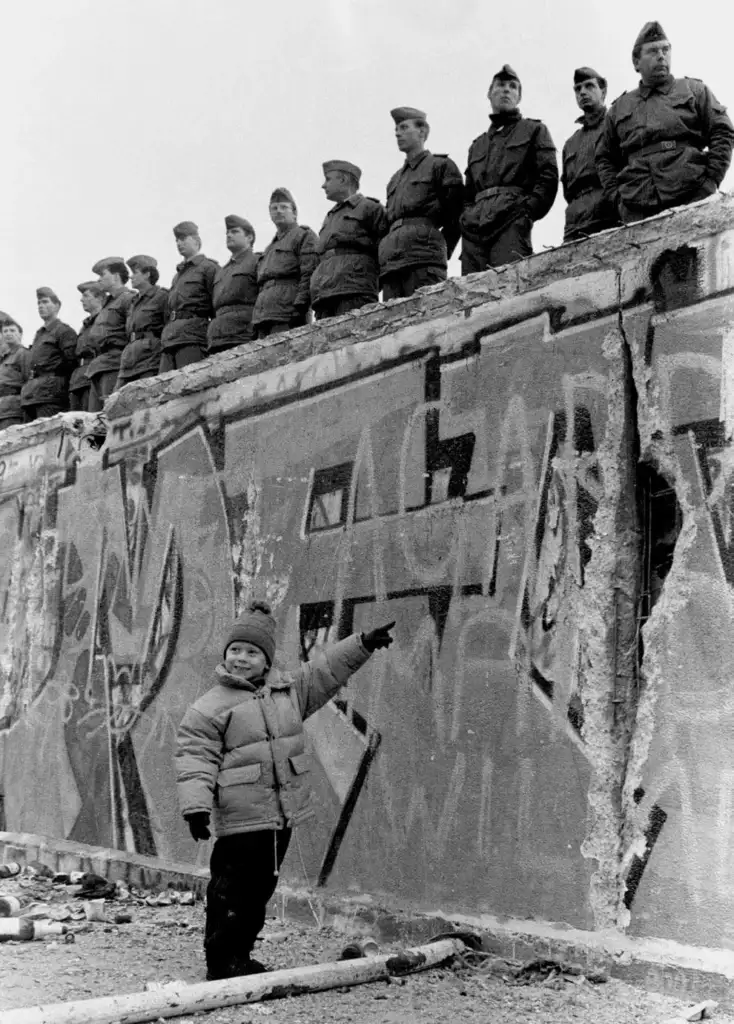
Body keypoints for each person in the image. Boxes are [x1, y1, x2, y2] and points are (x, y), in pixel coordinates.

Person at [175, 600, 395, 981]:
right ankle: (221, 960)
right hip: (241, 819)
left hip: (281, 816)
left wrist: (362, 643)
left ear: (267, 659)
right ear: (225, 656)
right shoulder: (208, 709)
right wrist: (195, 808)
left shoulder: (288, 692)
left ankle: (239, 956)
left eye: (251, 652)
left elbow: (325, 671)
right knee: (231, 890)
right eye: (235, 651)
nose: (241, 658)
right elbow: (195, 758)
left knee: (260, 890)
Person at [597, 21, 734, 225]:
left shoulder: (693, 90)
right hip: (638, 204)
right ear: (636, 62)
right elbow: (604, 158)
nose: (661, 56)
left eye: (666, 49)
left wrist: (711, 181)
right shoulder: (619, 108)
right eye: (653, 51)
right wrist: (619, 200)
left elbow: (722, 131)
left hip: (691, 193)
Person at [461, 65, 558, 273]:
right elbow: (468, 193)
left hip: (510, 222)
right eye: (501, 85)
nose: (506, 90)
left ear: (519, 97)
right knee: (469, 297)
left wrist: (527, 211)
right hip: (474, 231)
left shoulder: (534, 130)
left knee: (508, 291)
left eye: (513, 87)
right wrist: (466, 218)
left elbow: (548, 176)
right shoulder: (477, 145)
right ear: (489, 93)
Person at [379, 107, 463, 299]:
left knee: (426, 317)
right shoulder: (395, 179)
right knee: (393, 324)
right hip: (393, 263)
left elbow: (457, 214)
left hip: (424, 259)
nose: (397, 133)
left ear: (422, 132)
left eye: (403, 127)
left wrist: (439, 250)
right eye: (396, 130)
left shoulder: (440, 166)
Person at [310, 160, 388, 318]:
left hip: (355, 289)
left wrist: (371, 283)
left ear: (343, 180)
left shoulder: (370, 208)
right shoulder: (330, 216)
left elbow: (385, 249)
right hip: (325, 292)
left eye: (328, 179)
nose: (323, 186)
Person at [561, 68, 620, 242]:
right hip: (575, 224)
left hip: (609, 215)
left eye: (589, 86)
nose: (583, 92)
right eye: (578, 89)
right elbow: (568, 191)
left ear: (603, 90)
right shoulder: (570, 143)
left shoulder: (616, 125)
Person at [251, 189, 318, 338]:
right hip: (264, 316)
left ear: (294, 212)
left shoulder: (304, 236)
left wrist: (300, 307)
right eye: (274, 208)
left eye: (284, 207)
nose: (279, 211)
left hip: (288, 314)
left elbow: (309, 273)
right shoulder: (269, 249)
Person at [160, 222, 218, 372]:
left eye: (183, 238)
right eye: (177, 240)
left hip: (193, 337)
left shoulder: (208, 268)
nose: (179, 243)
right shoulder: (177, 276)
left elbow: (216, 304)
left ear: (197, 241)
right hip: (171, 339)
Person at [20, 287, 78, 422]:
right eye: (39, 303)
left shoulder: (64, 331)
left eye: (45, 302)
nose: (41, 306)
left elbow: (71, 362)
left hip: (51, 394)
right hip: (33, 395)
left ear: (57, 306)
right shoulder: (39, 335)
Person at [86, 258, 134, 412]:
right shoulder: (108, 304)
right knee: (96, 420)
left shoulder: (128, 298)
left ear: (116, 276)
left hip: (115, 363)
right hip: (100, 365)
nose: (99, 279)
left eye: (103, 274)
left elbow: (133, 330)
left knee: (112, 415)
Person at [207, 215, 260, 353]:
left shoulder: (257, 261)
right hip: (218, 337)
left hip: (244, 334)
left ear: (249, 238)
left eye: (235, 232)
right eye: (227, 233)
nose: (229, 235)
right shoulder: (221, 271)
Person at [116, 255, 168, 389]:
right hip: (129, 360)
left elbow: (168, 327)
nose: (131, 277)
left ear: (147, 274)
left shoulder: (162, 296)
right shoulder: (133, 302)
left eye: (135, 273)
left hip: (150, 358)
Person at [69, 280, 104, 413]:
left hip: (93, 375)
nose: (81, 300)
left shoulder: (104, 320)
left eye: (86, 296)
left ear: (99, 298)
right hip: (79, 379)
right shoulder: (85, 325)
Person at [0, 317, 29, 429]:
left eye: (12, 330)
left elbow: (28, 381)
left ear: (20, 334)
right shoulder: (4, 359)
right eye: (5, 331)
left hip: (14, 409)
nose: (8, 334)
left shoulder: (23, 354)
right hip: (2, 408)